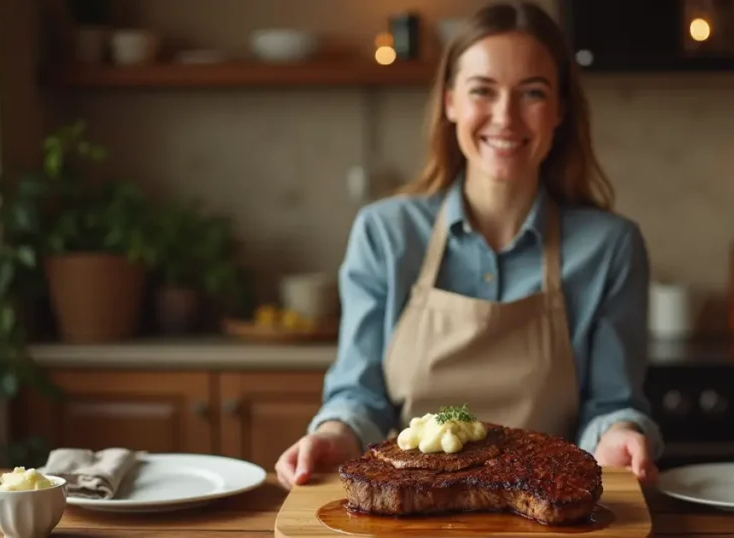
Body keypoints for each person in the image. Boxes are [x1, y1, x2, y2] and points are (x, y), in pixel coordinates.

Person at [276, 1, 663, 489]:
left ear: (561, 108)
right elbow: (361, 395)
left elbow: (610, 402)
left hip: (546, 512)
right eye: (483, 90)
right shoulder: (385, 232)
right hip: (407, 505)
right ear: (450, 101)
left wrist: (619, 434)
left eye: (533, 93)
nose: (505, 117)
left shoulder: (610, 247)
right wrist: (334, 434)